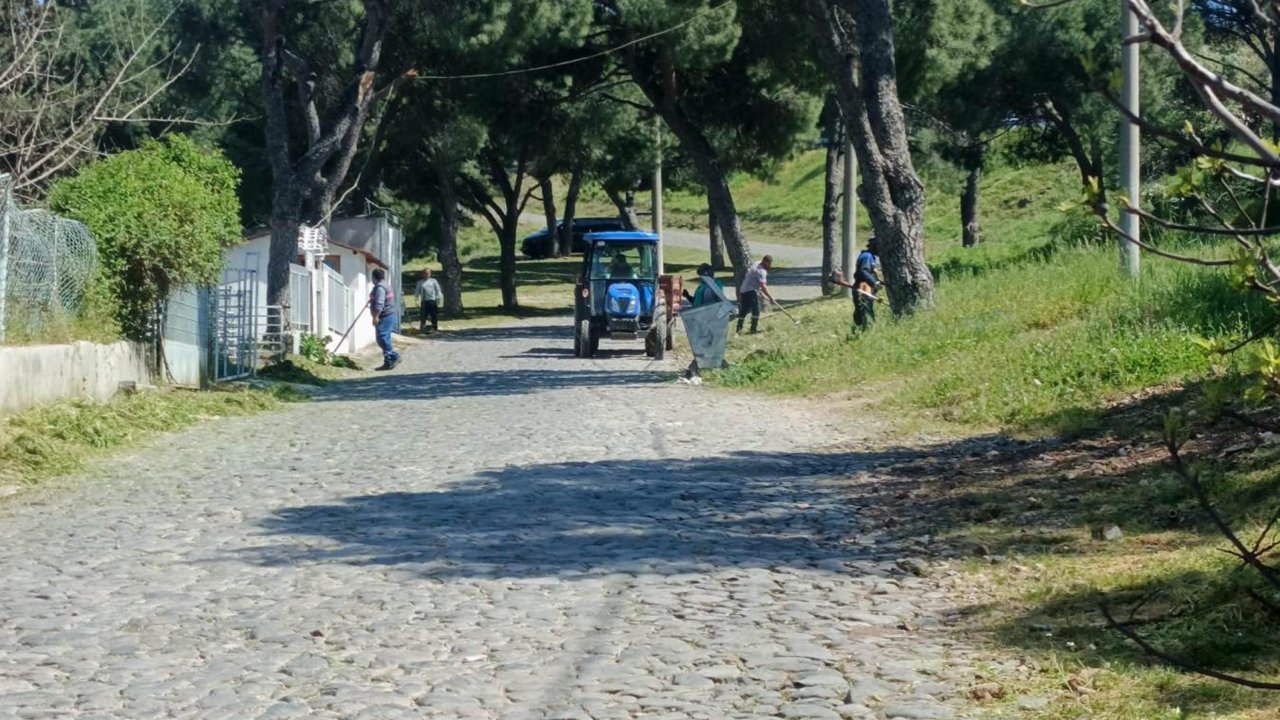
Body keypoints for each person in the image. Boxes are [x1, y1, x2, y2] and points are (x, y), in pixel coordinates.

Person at [831, 237, 883, 332]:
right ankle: (865, 332)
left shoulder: (870, 256)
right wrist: (873, 282)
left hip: (865, 289)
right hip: (863, 289)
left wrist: (878, 281)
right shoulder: (867, 256)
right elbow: (863, 271)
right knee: (865, 312)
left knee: (862, 311)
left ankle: (858, 331)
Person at [369, 267, 400, 370]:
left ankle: (393, 357)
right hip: (389, 314)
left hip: (384, 316)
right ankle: (389, 360)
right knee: (384, 338)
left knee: (382, 337)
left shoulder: (380, 288)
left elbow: (380, 304)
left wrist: (375, 317)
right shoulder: (386, 285)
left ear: (374, 277)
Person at [736, 254, 775, 334]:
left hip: (743, 289)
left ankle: (738, 329)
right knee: (756, 310)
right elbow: (763, 287)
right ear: (765, 262)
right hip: (750, 290)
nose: (770, 266)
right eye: (769, 264)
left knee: (744, 309)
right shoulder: (761, 271)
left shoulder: (757, 263)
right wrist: (770, 298)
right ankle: (753, 329)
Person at [415, 268, 442, 335]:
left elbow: (438, 290)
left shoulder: (433, 281)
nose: (426, 275)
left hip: (432, 300)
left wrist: (438, 298)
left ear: (430, 274)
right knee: (423, 315)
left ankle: (434, 328)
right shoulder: (420, 282)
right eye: (425, 273)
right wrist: (417, 300)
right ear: (423, 274)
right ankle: (423, 329)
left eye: (428, 273)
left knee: (434, 315)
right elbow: (417, 292)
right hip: (424, 301)